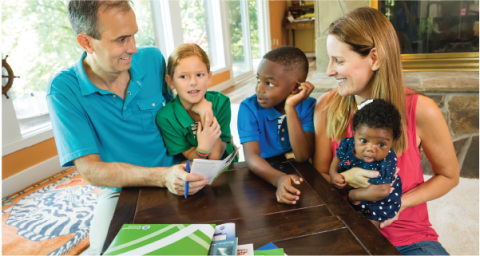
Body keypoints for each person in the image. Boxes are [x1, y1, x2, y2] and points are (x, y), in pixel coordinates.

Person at [46, 1, 208, 255]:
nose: (132, 48)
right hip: (122, 191)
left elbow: (180, 110)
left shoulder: (153, 60)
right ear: (87, 42)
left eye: (133, 35)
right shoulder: (63, 90)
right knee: (106, 251)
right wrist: (161, 177)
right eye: (121, 39)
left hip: (180, 172)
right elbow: (91, 170)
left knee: (217, 237)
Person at [313, 7, 459, 255]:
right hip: (346, 233)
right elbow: (318, 176)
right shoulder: (327, 106)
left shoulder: (421, 110)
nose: (329, 71)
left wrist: (399, 203)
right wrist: (346, 180)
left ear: (374, 58)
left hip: (409, 238)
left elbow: (449, 176)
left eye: (339, 60)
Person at [238, 46, 315, 205]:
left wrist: (291, 108)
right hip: (261, 174)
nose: (260, 88)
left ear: (295, 87)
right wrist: (278, 179)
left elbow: (302, 156)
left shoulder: (308, 106)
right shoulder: (249, 108)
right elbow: (252, 157)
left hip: (297, 172)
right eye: (258, 79)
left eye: (270, 83)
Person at [156, 43, 238, 162]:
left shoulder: (221, 102)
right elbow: (190, 154)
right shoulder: (166, 117)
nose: (193, 82)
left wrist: (207, 113)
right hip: (199, 170)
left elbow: (215, 156)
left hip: (230, 168)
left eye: (199, 75)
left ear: (209, 77)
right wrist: (203, 148)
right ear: (171, 81)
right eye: (183, 76)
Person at [330, 99, 403, 229]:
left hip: (377, 202)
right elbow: (337, 158)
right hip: (353, 197)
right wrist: (333, 173)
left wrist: (352, 196)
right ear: (354, 132)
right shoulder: (348, 143)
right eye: (364, 140)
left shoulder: (388, 159)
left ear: (393, 140)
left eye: (381, 144)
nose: (370, 149)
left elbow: (382, 190)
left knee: (366, 233)